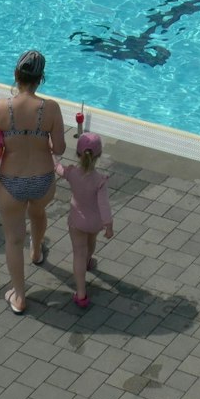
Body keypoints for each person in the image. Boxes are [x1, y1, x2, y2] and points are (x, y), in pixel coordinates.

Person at [0, 50, 66, 314]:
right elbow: (60, 148)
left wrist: (1, 138)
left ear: (15, 75)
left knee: (13, 239)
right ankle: (36, 253)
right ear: (41, 78)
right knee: (38, 211)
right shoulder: (51, 108)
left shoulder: (0, 108)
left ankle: (19, 296)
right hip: (43, 180)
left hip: (12, 182)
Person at [57, 131, 115, 309]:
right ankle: (89, 260)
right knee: (91, 243)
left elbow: (58, 169)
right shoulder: (99, 181)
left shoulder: (72, 173)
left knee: (78, 254)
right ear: (98, 156)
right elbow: (104, 206)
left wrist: (52, 157)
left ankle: (81, 294)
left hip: (77, 222)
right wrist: (108, 226)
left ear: (78, 154)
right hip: (95, 223)